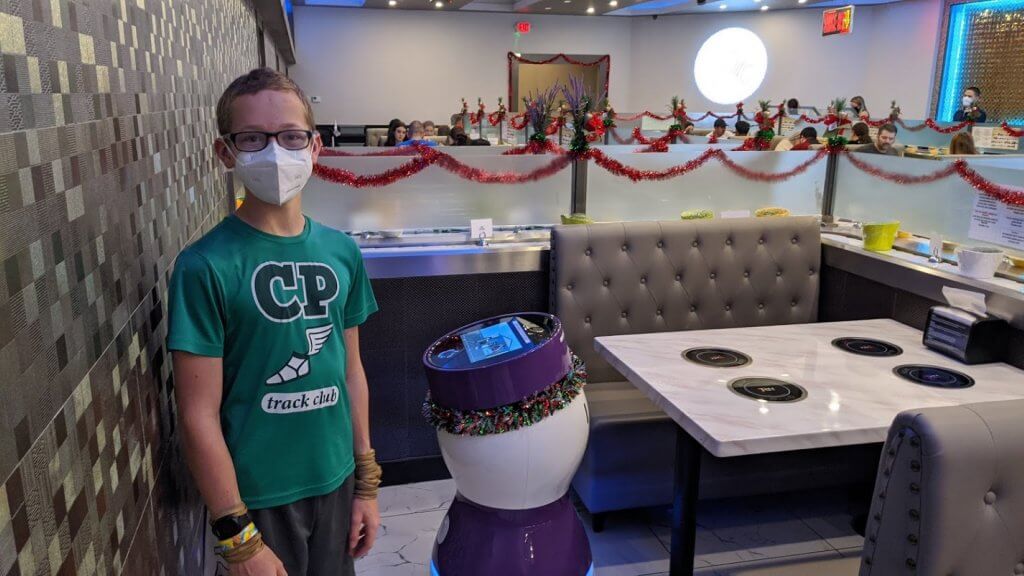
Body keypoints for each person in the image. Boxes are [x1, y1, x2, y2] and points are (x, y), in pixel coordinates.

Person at [169, 68, 381, 576]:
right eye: (252, 139)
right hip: (257, 500)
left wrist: (366, 483)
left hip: (335, 483)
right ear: (227, 153)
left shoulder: (341, 252)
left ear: (315, 148)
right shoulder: (204, 265)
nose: (275, 151)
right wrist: (237, 537)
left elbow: (350, 371)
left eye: (290, 136)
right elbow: (197, 414)